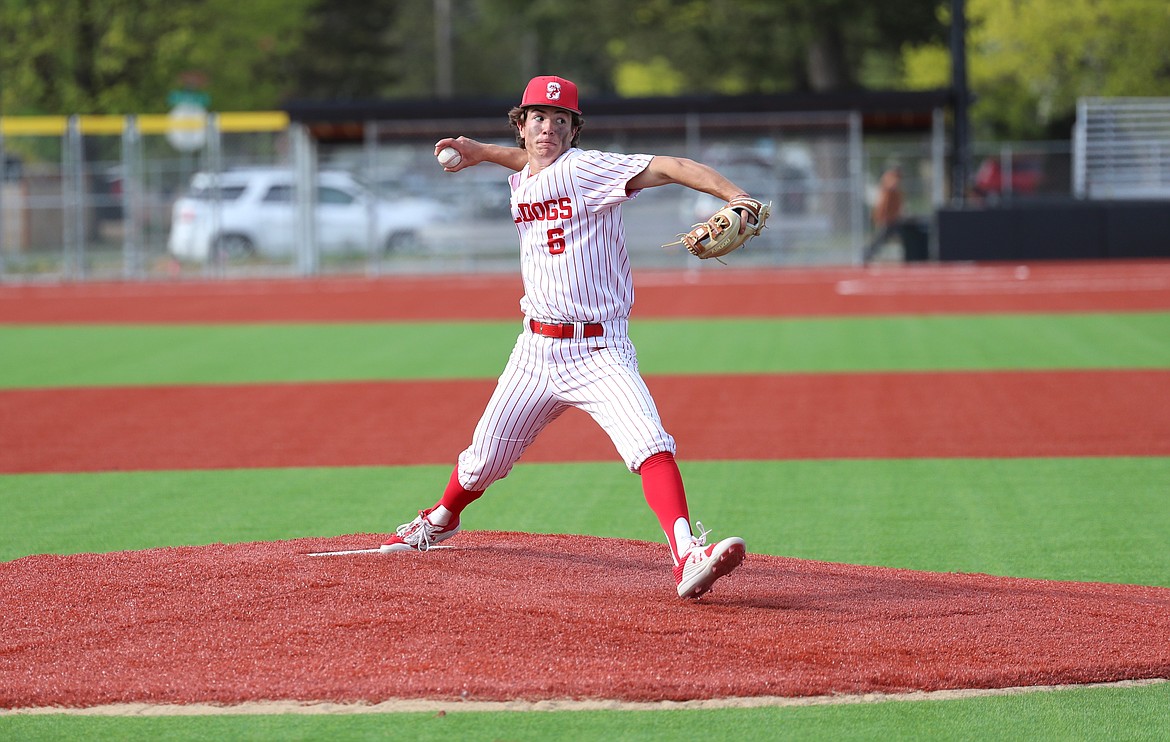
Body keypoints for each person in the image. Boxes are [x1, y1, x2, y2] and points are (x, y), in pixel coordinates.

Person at [379, 75, 758, 599]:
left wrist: (738, 196)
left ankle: (686, 555)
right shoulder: (524, 174)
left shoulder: (586, 169)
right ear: (522, 124)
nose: (549, 128)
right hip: (534, 350)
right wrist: (481, 152)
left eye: (561, 121)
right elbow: (526, 164)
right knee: (484, 458)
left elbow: (673, 167)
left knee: (649, 442)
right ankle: (441, 519)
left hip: (599, 350)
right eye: (539, 118)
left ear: (574, 130)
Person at [861, 166, 904, 264]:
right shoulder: (888, 187)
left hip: (893, 219)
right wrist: (882, 217)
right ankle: (866, 254)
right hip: (887, 219)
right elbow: (884, 205)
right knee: (880, 239)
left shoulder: (894, 191)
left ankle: (868, 254)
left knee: (888, 238)